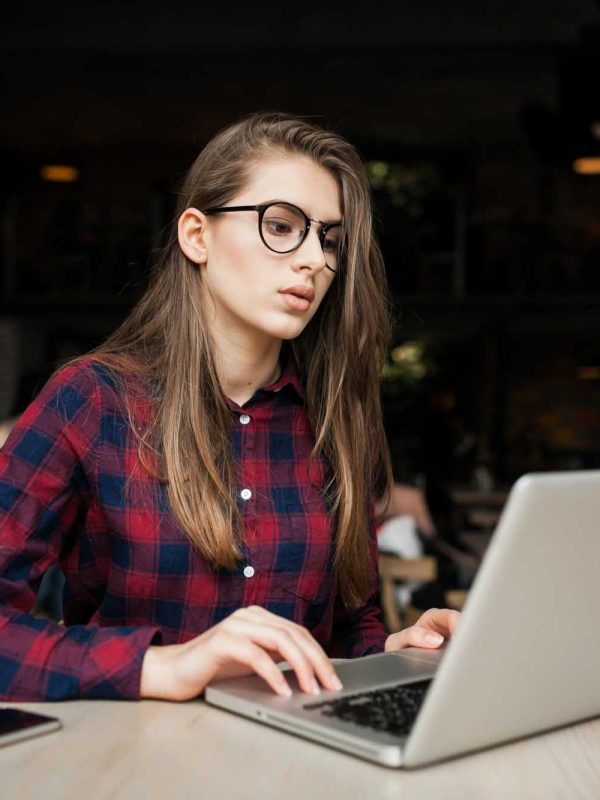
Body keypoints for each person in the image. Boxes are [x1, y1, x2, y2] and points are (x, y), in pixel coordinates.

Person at [0, 112, 459, 704]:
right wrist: (164, 666)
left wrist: (395, 654)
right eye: (281, 225)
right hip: (131, 766)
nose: (314, 260)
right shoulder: (91, 401)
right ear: (197, 235)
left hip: (300, 760)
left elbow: (347, 630)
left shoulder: (335, 425)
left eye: (329, 238)